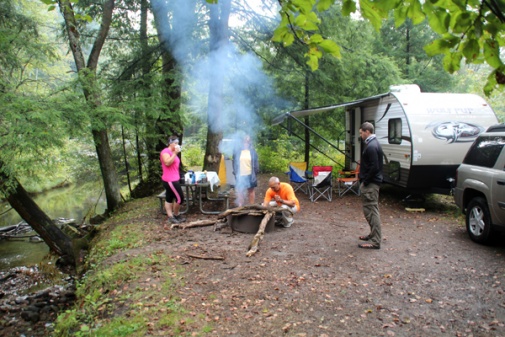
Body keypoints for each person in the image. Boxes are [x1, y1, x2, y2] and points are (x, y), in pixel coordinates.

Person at [357, 122, 384, 249]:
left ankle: (375, 241)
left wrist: (365, 181)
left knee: (372, 212)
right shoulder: (373, 144)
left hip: (371, 184)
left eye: (361, 132)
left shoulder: (372, 146)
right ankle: (373, 235)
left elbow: (374, 167)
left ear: (367, 131)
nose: (361, 135)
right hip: (372, 183)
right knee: (371, 211)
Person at [160, 135, 185, 228]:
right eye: (175, 143)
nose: (177, 145)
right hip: (170, 180)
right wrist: (175, 153)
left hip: (174, 178)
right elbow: (167, 162)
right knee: (180, 198)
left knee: (169, 197)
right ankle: (175, 215)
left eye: (178, 143)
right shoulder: (165, 152)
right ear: (170, 143)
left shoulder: (173, 152)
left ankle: (171, 216)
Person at [232, 134, 259, 206]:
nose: (246, 143)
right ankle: (240, 207)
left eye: (248, 142)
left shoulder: (253, 152)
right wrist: (235, 172)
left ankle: (251, 206)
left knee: (251, 191)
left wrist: (255, 173)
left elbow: (256, 164)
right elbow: (234, 163)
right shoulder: (237, 152)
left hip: (250, 174)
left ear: (250, 142)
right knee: (240, 191)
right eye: (244, 141)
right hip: (240, 174)